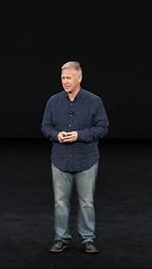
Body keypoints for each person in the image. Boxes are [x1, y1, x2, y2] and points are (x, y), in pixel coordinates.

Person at [41, 60, 109, 254]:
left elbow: (103, 128)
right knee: (60, 202)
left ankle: (87, 239)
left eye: (68, 78)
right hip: (60, 159)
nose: (65, 82)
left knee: (87, 202)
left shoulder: (94, 101)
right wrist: (56, 135)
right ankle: (61, 238)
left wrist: (80, 135)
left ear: (79, 78)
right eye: (62, 78)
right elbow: (45, 126)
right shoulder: (53, 101)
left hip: (86, 160)